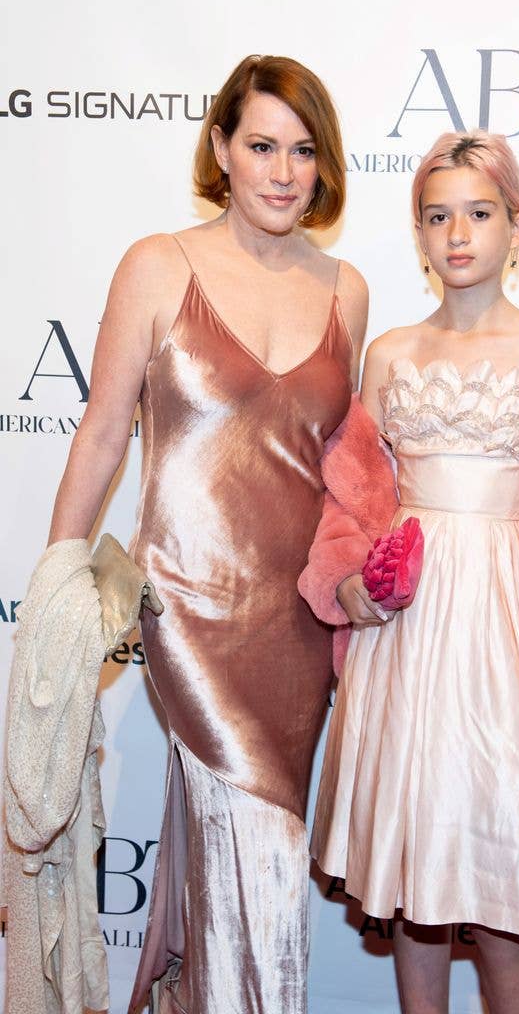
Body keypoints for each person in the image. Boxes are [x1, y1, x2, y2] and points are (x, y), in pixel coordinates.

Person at [46, 54, 368, 1014]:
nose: (283, 172)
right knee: (255, 860)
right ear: (221, 147)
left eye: (303, 151)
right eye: (262, 146)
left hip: (299, 627)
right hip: (185, 607)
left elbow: (345, 472)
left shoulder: (347, 291)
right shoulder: (158, 265)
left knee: (248, 860)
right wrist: (59, 577)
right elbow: (103, 431)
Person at [301, 131, 519, 1014]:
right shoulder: (388, 355)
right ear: (419, 232)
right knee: (413, 893)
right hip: (405, 640)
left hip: (506, 638)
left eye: (480, 213)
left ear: (516, 226)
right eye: (437, 216)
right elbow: (354, 500)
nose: (458, 234)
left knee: (505, 902)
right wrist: (347, 580)